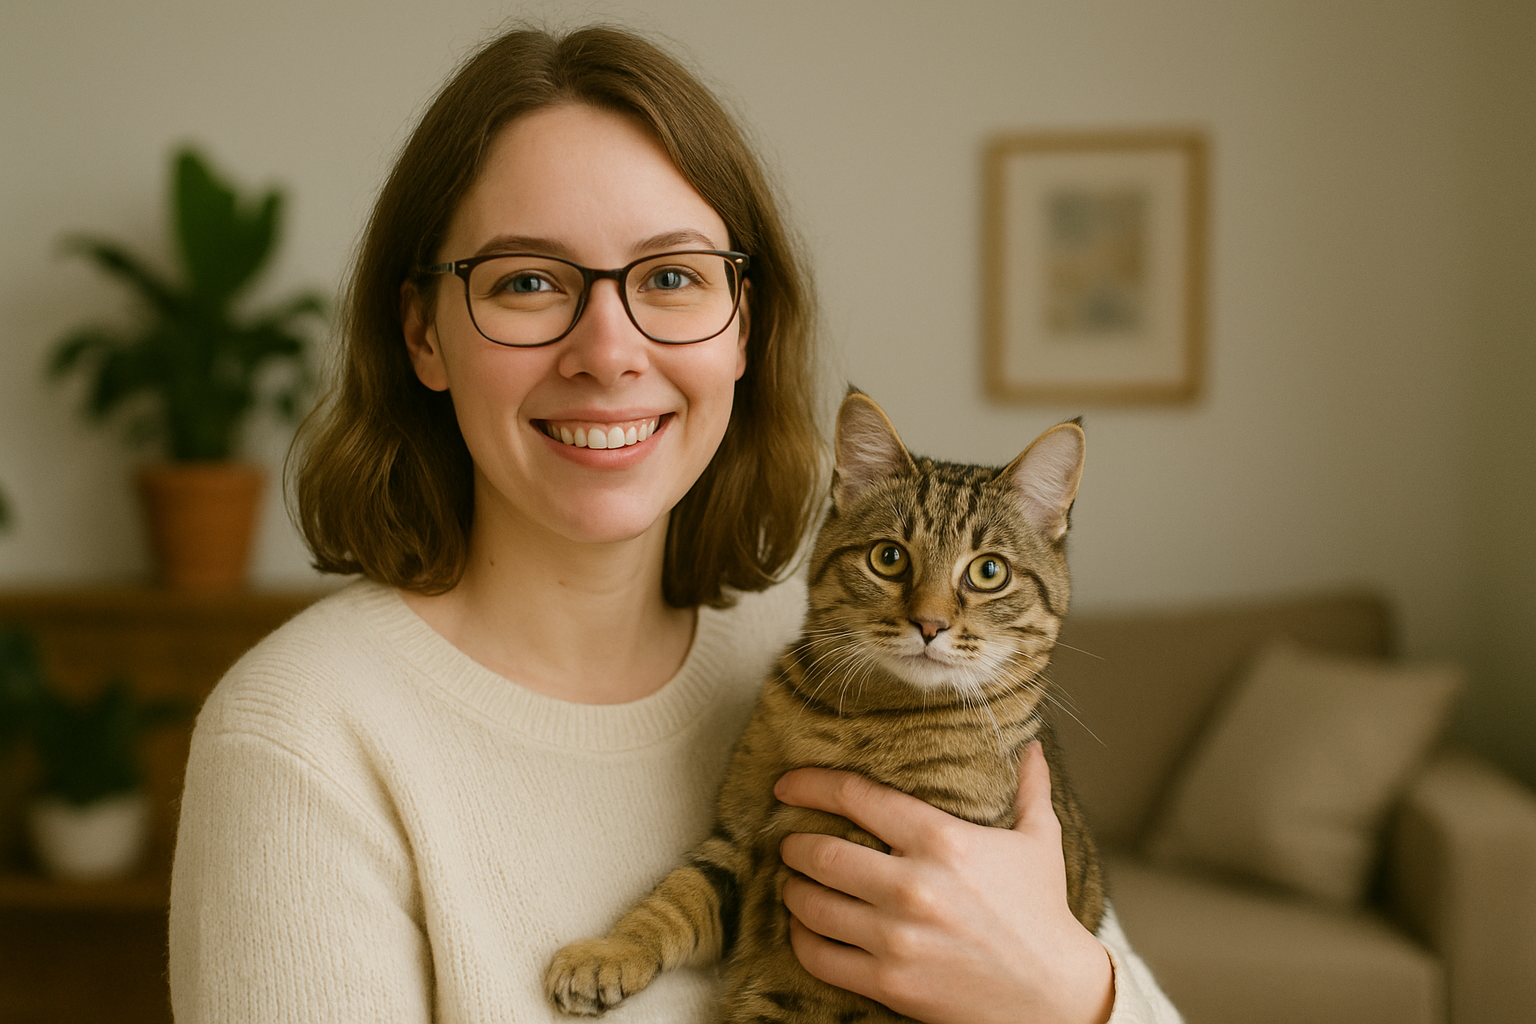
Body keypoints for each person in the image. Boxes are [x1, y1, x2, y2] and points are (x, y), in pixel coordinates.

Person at [167, 25, 1180, 1024]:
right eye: (527, 280)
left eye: (670, 277)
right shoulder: (301, 738)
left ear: (743, 324)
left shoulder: (801, 647)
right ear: (425, 332)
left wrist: (1061, 992)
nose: (608, 352)